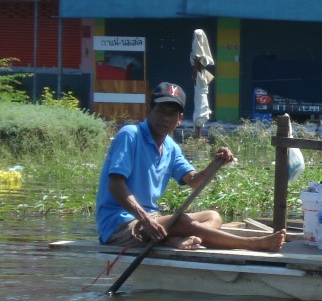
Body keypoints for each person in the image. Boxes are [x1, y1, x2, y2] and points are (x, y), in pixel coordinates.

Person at [96, 82, 285, 252]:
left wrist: (216, 162)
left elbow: (194, 181)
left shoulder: (170, 147)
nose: (165, 118)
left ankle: (175, 240)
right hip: (120, 224)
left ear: (179, 119)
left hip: (151, 218)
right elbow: (115, 184)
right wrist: (145, 220)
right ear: (149, 110)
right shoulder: (130, 135)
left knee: (213, 216)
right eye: (161, 111)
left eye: (172, 114)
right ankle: (254, 244)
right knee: (182, 221)